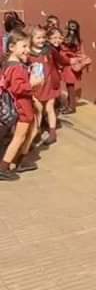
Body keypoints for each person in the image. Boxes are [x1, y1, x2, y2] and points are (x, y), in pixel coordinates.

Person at [0, 30, 43, 179]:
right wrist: (32, 83)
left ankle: (13, 162)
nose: (27, 50)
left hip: (21, 106)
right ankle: (4, 167)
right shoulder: (16, 67)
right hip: (22, 108)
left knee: (21, 135)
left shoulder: (10, 64)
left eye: (28, 46)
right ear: (12, 47)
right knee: (19, 137)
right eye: (24, 46)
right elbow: (17, 88)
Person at [29, 26, 60, 146]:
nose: (41, 40)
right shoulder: (28, 53)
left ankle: (52, 132)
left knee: (49, 108)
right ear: (31, 38)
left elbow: (60, 59)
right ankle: (36, 131)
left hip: (49, 84)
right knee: (38, 109)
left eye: (43, 37)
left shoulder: (48, 50)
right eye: (38, 38)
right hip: (36, 86)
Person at [58, 20, 90, 114]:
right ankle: (69, 105)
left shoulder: (70, 39)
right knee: (69, 86)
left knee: (70, 87)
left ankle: (71, 107)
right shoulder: (78, 39)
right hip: (71, 65)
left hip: (70, 65)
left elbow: (67, 49)